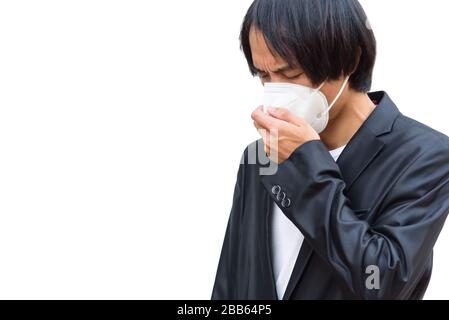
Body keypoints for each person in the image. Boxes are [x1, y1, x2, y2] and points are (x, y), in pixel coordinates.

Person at [211, 0, 449, 300]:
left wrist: (308, 165)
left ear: (349, 60)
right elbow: (230, 283)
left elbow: (381, 283)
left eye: (292, 74)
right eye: (264, 76)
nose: (276, 92)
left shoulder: (425, 156)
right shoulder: (261, 155)